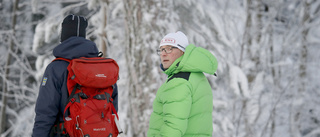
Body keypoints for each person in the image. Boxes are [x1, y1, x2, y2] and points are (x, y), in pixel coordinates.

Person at [32, 14, 118, 137]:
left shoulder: (56, 68)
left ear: (63, 35)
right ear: (84, 35)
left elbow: (45, 112)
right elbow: (113, 107)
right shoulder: (104, 68)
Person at [147, 31, 218, 137]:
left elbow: (173, 127)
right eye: (161, 49)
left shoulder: (179, 81)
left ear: (183, 52)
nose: (163, 53)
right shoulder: (196, 76)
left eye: (170, 48)